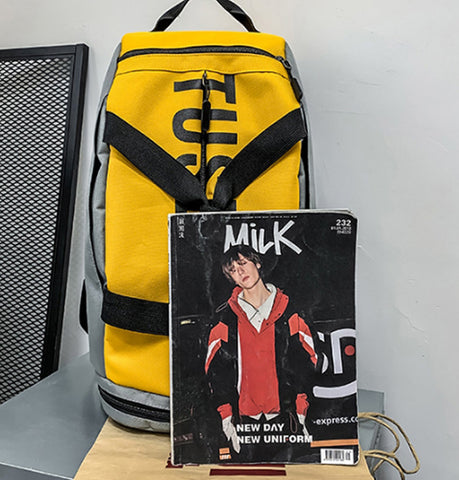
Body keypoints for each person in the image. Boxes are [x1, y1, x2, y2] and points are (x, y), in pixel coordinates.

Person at [204, 245, 318, 459]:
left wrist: (301, 411)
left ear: (257, 263)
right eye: (233, 270)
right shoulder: (224, 321)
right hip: (243, 423)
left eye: (243, 263)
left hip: (286, 419)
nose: (240, 272)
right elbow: (216, 372)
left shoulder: (291, 312)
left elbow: (306, 363)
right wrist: (226, 418)